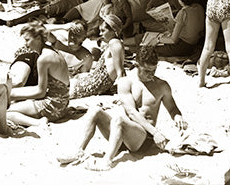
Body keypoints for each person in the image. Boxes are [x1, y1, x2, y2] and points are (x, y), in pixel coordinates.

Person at [59, 46, 187, 169]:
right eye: (147, 71)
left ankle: (106, 162)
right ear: (137, 65)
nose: (151, 75)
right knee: (95, 111)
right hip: (122, 133)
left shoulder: (162, 86)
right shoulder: (126, 82)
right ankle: (79, 151)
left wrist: (178, 117)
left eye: (154, 70)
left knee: (119, 120)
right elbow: (131, 112)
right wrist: (157, 133)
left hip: (143, 138)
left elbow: (172, 109)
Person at [7, 23, 71, 123]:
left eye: (27, 40)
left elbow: (40, 92)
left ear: (37, 38)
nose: (26, 44)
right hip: (63, 103)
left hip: (53, 106)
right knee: (13, 96)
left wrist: (13, 95)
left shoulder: (43, 59)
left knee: (4, 113)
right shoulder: (52, 51)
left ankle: (38, 123)